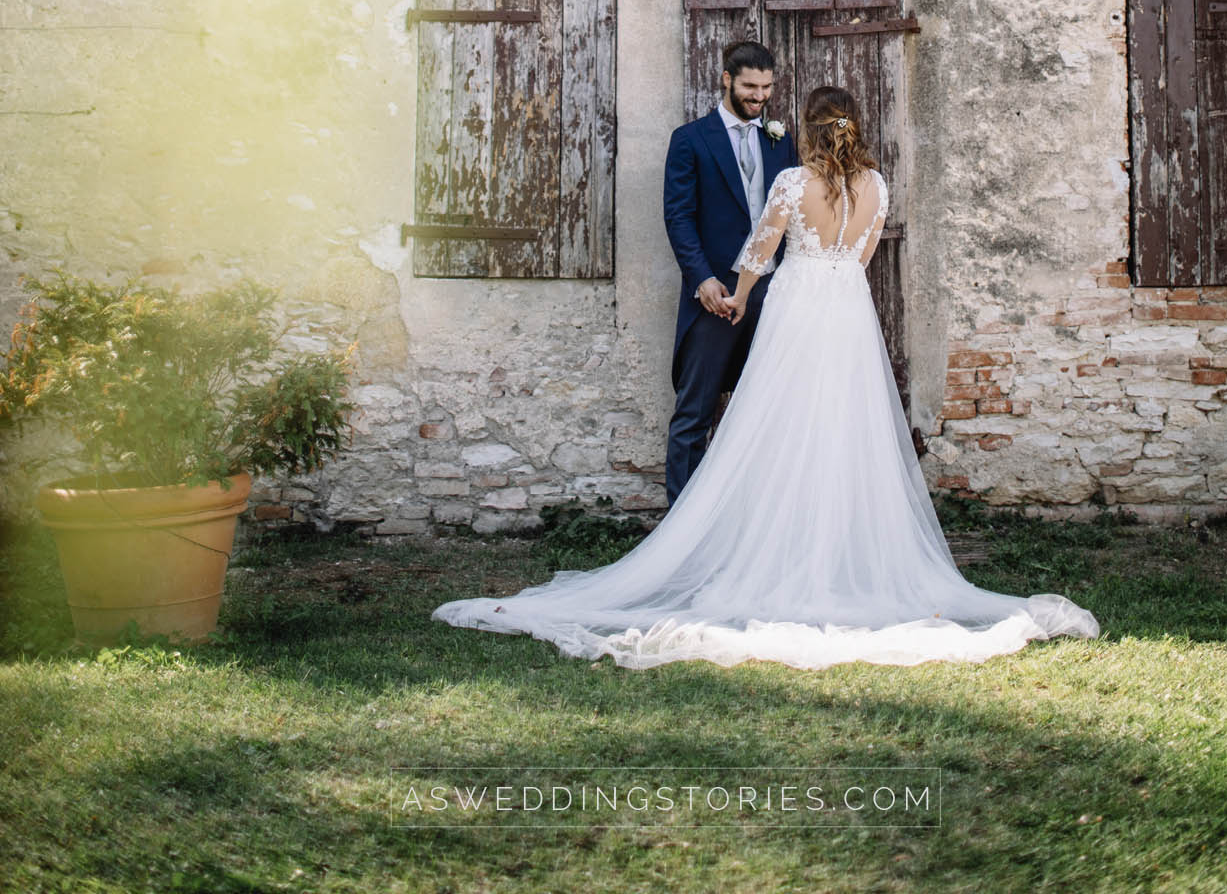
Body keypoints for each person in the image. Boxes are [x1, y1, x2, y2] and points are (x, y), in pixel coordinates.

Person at [431, 84, 1099, 670]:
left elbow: (761, 249)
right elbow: (863, 256)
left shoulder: (792, 183)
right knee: (843, 427)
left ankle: (769, 552)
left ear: (807, 129)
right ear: (856, 126)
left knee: (776, 425)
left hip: (798, 307)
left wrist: (741, 296)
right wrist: (831, 275)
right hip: (846, 311)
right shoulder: (877, 185)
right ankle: (836, 552)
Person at [660, 38, 800, 506]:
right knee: (695, 410)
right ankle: (681, 524)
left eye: (767, 88)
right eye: (749, 87)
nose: (760, 97)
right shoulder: (690, 140)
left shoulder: (782, 139)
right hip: (714, 294)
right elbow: (678, 217)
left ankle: (748, 520)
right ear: (726, 79)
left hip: (771, 293)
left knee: (764, 413)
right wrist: (701, 280)